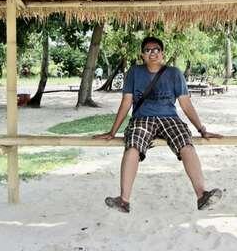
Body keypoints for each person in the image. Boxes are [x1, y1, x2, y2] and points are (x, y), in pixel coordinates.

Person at [94, 36, 223, 213]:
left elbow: (186, 104)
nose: (152, 53)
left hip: (170, 119)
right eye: (148, 50)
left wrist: (202, 130)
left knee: (186, 144)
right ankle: (124, 200)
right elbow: (126, 102)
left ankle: (202, 195)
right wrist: (112, 131)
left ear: (162, 53)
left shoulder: (174, 73)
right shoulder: (134, 72)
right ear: (142, 55)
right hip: (142, 119)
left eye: (156, 50)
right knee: (132, 146)